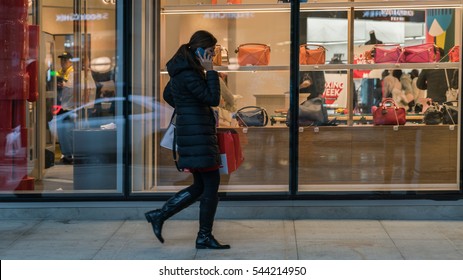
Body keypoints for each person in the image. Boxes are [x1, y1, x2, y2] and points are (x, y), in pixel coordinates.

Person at [145, 30, 230, 249]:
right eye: (210, 52)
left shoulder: (181, 69)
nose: (212, 57)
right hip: (198, 135)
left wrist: (187, 107)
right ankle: (203, 236)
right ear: (200, 50)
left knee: (201, 186)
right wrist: (211, 73)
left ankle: (160, 215)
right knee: (210, 186)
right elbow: (212, 99)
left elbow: (168, 95)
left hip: (192, 132)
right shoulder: (191, 73)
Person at [56, 52, 75, 164]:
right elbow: (53, 75)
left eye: (65, 60)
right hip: (61, 107)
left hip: (69, 107)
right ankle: (65, 155)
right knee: (62, 132)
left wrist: (64, 84)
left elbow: (73, 86)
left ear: (71, 61)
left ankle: (70, 156)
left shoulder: (73, 72)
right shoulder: (60, 72)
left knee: (67, 132)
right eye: (62, 60)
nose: (63, 62)